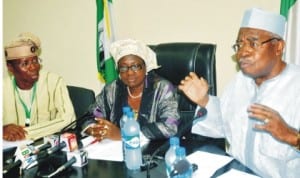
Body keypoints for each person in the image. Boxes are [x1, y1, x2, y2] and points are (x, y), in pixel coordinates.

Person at [179, 8, 300, 178]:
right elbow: (224, 126)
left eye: (253, 43)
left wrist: (293, 137)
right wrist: (204, 101)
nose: (242, 52)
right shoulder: (239, 82)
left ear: (278, 47)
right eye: (239, 44)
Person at [81, 39, 180, 141]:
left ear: (146, 67)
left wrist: (124, 135)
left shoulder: (162, 88)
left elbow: (170, 126)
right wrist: (94, 129)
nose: (129, 73)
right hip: (113, 151)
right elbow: (90, 117)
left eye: (135, 66)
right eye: (123, 68)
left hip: (151, 151)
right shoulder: (111, 89)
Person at [3, 32, 76, 141]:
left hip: (46, 147)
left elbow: (69, 119)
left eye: (35, 61)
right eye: (25, 64)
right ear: (10, 68)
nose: (33, 67)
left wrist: (26, 133)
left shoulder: (53, 81)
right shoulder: (3, 88)